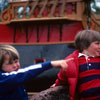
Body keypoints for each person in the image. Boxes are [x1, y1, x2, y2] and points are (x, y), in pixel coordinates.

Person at [0, 44, 73, 100]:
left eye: (16, 61)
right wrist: (51, 64)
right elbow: (26, 72)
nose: (15, 65)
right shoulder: (4, 79)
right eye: (10, 63)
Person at [54, 30, 100, 100]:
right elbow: (62, 77)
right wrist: (57, 84)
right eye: (97, 43)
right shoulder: (71, 61)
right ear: (85, 45)